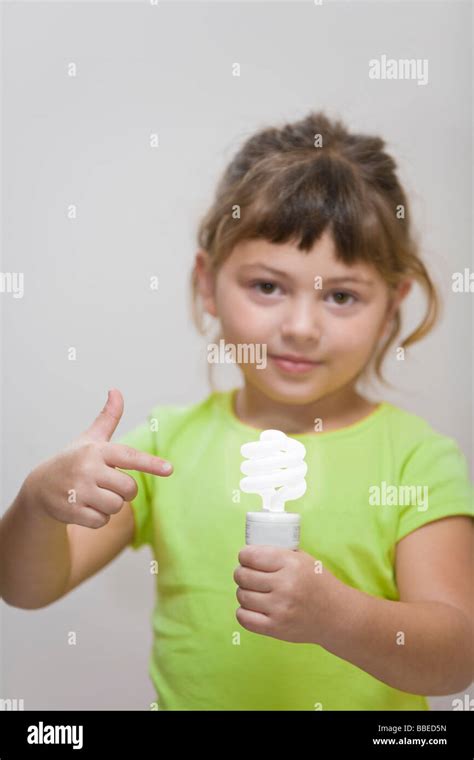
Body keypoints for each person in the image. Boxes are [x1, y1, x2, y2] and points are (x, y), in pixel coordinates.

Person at [1, 111, 472, 711]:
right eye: (268, 287)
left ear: (392, 305)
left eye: (342, 296)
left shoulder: (416, 461)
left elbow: (455, 658)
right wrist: (38, 504)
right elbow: (25, 587)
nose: (301, 328)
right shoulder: (164, 446)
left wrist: (336, 616)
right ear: (208, 283)